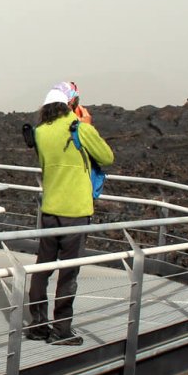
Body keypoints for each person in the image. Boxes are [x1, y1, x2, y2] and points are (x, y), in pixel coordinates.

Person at [27, 81, 115, 346]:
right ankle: (61, 330)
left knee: (42, 269)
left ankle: (38, 324)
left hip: (50, 208)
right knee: (68, 274)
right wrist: (87, 125)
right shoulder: (79, 128)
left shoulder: (41, 131)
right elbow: (107, 157)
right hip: (75, 211)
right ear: (72, 104)